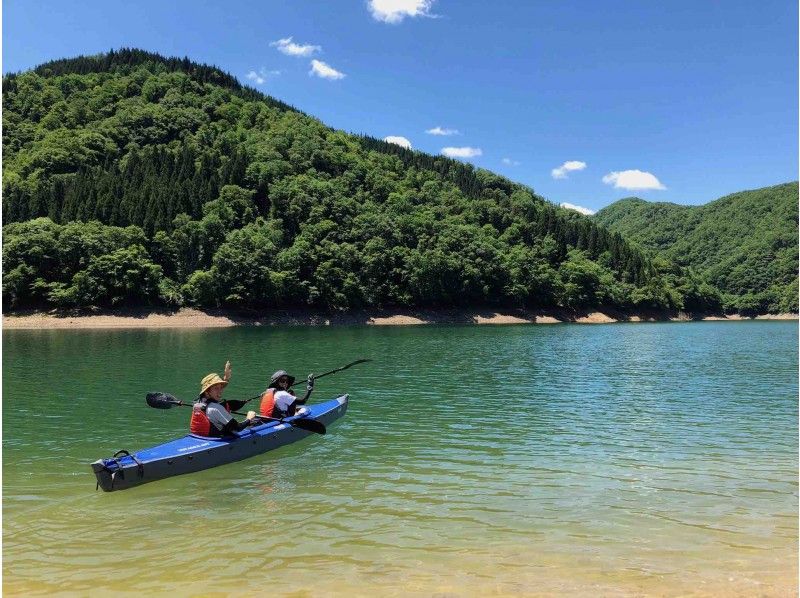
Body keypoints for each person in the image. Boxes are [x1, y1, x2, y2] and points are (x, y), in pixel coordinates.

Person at [190, 361, 260, 437]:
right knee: (255, 421)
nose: (220, 391)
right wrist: (249, 419)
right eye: (216, 389)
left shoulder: (198, 402)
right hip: (216, 440)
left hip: (199, 436)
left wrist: (226, 379)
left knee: (225, 403)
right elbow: (237, 428)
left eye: (221, 388)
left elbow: (214, 391)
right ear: (207, 392)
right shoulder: (216, 408)